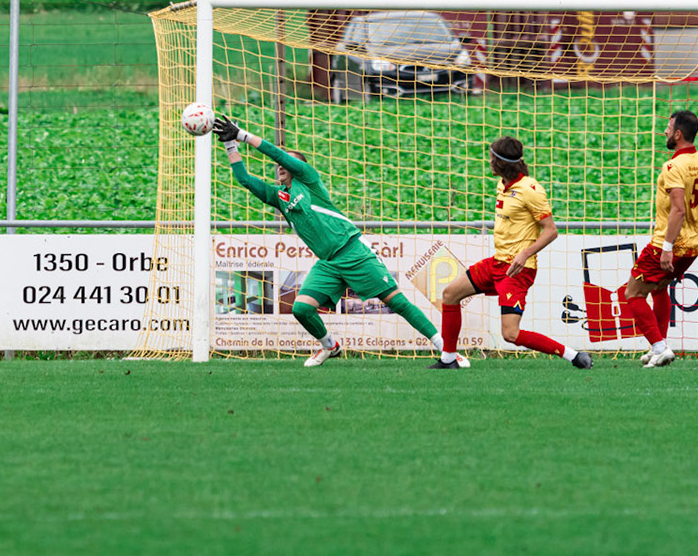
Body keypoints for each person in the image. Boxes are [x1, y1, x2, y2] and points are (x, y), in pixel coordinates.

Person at [212, 114, 443, 365]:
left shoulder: (308, 181)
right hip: (328, 263)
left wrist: (243, 134)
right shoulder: (279, 196)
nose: (280, 166)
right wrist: (229, 144)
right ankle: (329, 346)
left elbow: (278, 155)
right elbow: (245, 179)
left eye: (287, 162)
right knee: (301, 308)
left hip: (353, 251)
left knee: (396, 302)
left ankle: (445, 347)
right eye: (279, 165)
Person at [437, 136, 592, 370]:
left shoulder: (531, 190)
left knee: (510, 334)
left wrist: (524, 254)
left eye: (492, 158)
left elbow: (551, 231)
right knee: (449, 294)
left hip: (517, 271)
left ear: (501, 163)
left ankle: (573, 355)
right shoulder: (502, 184)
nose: (488, 162)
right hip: (497, 263)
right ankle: (448, 359)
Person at [622, 109, 698, 368]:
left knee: (632, 293)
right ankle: (659, 345)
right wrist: (694, 208)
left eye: (668, 128)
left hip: (668, 243)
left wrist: (667, 248)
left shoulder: (672, 166)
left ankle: (659, 347)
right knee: (658, 288)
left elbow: (679, 209)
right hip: (694, 244)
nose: (665, 132)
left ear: (678, 134)